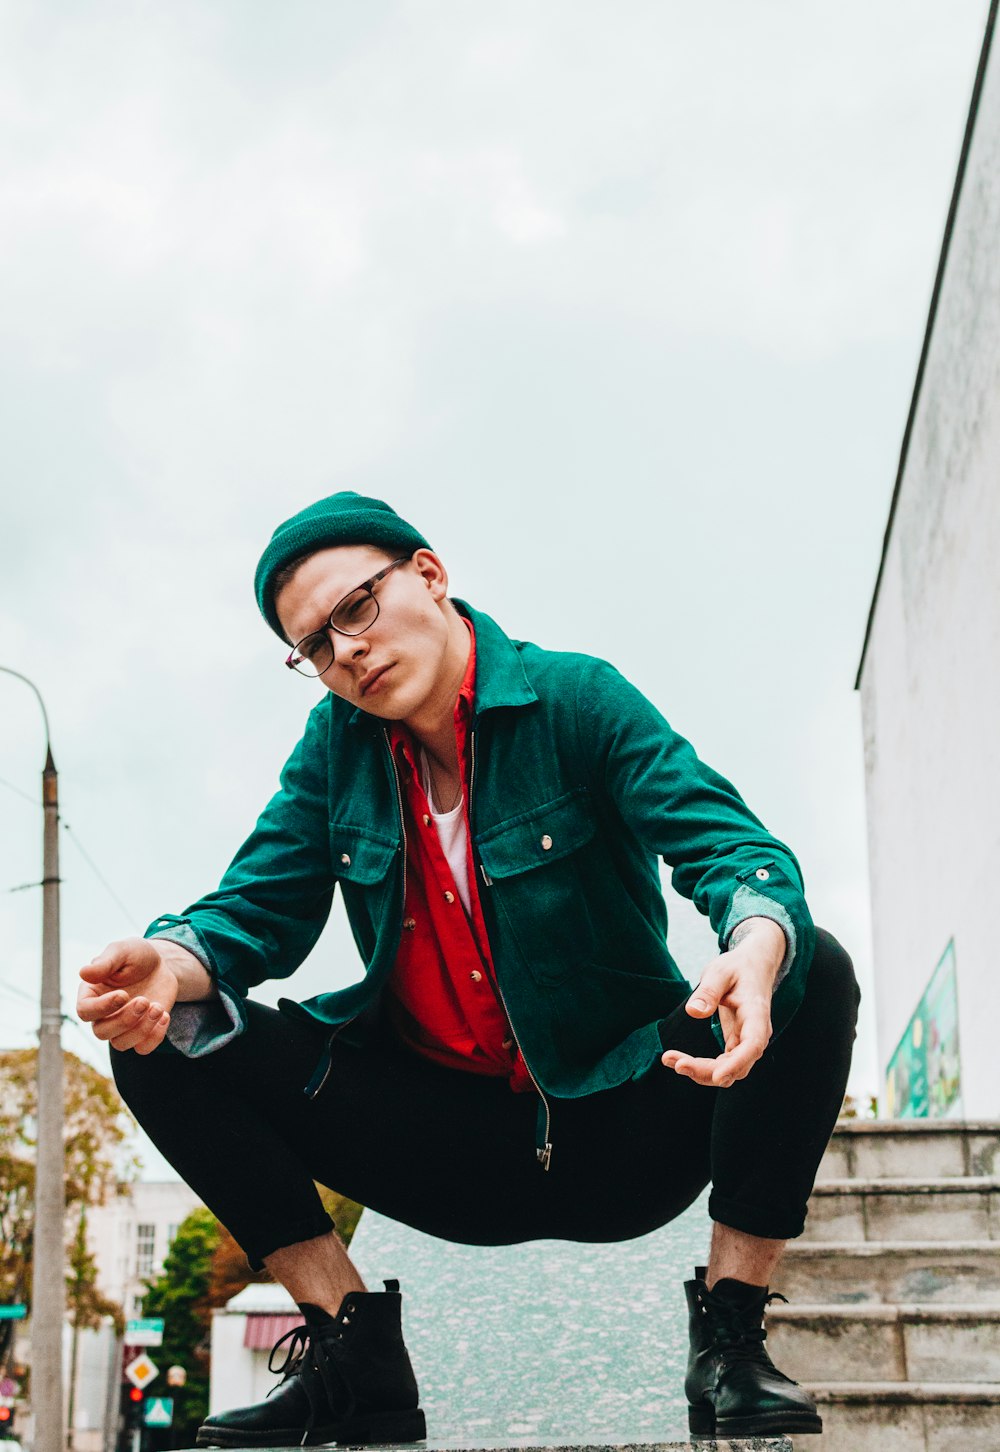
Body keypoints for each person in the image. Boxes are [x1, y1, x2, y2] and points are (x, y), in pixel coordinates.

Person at [78, 491, 861, 1447]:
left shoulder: (576, 698)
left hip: (621, 1119)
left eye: (355, 607)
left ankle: (731, 1343)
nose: (346, 652)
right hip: (441, 1140)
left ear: (431, 576)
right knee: (162, 1039)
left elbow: (727, 844)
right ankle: (352, 1358)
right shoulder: (334, 750)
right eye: (315, 646)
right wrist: (169, 963)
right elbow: (254, 912)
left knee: (811, 963)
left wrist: (755, 942)